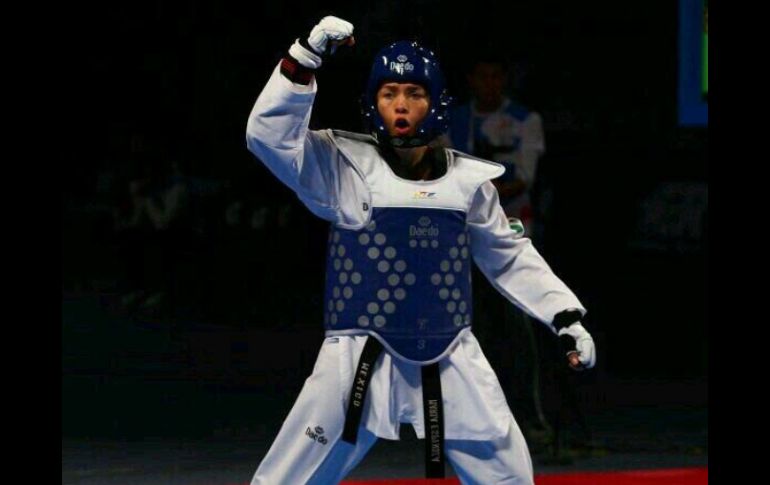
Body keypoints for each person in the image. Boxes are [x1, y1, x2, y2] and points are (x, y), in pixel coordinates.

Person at [245, 16, 596, 484]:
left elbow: (509, 255)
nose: (401, 105)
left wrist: (565, 317)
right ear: (373, 103)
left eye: (414, 93)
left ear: (435, 102)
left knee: (510, 476)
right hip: (356, 358)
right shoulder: (341, 166)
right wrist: (302, 58)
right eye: (389, 93)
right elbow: (268, 138)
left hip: (451, 354)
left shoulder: (469, 183)